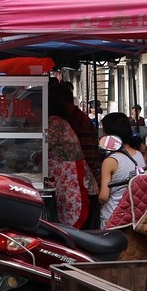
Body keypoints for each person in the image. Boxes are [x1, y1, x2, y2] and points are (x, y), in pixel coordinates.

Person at [45, 94, 97, 228]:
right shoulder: (58, 121)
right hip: (69, 181)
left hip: (74, 182)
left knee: (77, 228)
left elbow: (40, 145)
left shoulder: (55, 123)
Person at [98, 112, 146, 228]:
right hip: (133, 215)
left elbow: (104, 196)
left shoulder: (110, 161)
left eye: (103, 132)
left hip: (112, 217)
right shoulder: (139, 155)